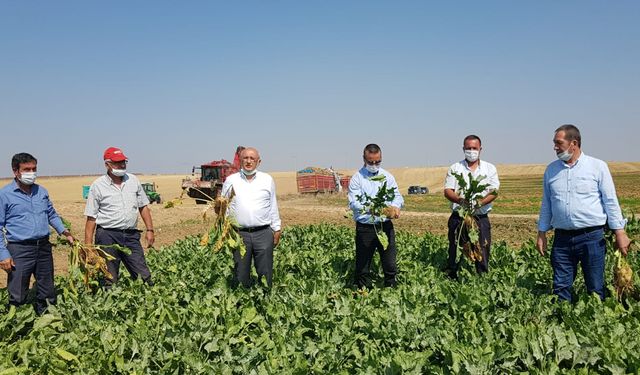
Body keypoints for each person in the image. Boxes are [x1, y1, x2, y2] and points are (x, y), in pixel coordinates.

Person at [537, 124, 630, 302]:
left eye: (559, 143)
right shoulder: (551, 170)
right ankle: (561, 321)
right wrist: (541, 233)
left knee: (595, 286)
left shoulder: (597, 167)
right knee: (561, 286)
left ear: (574, 143)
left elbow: (610, 201)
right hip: (562, 239)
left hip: (592, 237)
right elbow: (547, 204)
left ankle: (596, 323)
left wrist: (620, 232)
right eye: (554, 143)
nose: (555, 147)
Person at [0, 153, 74, 314]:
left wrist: (65, 232)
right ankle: (16, 322)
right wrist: (3, 254)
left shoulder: (42, 191)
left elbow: (51, 214)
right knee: (18, 290)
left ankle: (47, 321)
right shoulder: (4, 195)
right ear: (16, 171)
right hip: (19, 249)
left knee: (47, 289)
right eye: (27, 169)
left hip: (43, 247)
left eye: (34, 169)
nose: (31, 173)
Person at [84, 147, 155, 286]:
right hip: (107, 235)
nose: (122, 165)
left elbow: (143, 207)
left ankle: (148, 299)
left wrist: (150, 230)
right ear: (107, 164)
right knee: (109, 277)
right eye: (117, 163)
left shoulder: (133, 180)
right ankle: (109, 302)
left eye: (123, 162)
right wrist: (88, 246)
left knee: (143, 275)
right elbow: (91, 218)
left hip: (131, 235)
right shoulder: (98, 186)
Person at [221, 147, 281, 288]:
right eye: (245, 158)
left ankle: (266, 302)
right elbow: (224, 208)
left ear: (258, 162)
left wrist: (277, 228)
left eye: (252, 158)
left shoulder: (267, 180)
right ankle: (242, 302)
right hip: (239, 234)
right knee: (241, 273)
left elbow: (272, 205)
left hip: (263, 233)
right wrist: (225, 229)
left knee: (265, 272)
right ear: (240, 161)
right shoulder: (230, 181)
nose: (248, 161)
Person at [348, 143, 404, 289]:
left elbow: (397, 196)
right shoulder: (357, 178)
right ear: (364, 159)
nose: (374, 165)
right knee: (363, 264)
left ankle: (390, 290)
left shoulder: (387, 177)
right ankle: (362, 293)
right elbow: (354, 203)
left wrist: (396, 207)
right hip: (365, 228)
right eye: (370, 162)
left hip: (384, 226)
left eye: (377, 162)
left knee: (390, 263)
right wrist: (373, 209)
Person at [444, 135, 500, 277]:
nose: (471, 151)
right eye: (468, 148)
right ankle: (453, 277)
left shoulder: (489, 168)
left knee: (482, 249)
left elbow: (494, 192)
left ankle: (481, 277)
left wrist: (479, 202)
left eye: (474, 148)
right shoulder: (455, 168)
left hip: (480, 217)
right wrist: (461, 200)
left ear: (480, 149)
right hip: (459, 218)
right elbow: (448, 191)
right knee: (455, 249)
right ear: (463, 149)